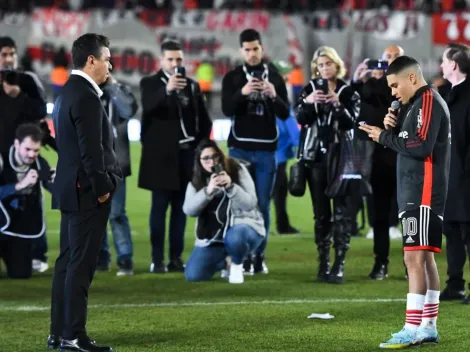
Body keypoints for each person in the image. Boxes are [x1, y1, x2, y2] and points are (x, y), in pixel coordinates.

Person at [359, 56, 450, 348]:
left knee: (413, 258)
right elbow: (414, 142)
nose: (394, 92)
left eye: (395, 85)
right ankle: (428, 326)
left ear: (412, 78)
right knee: (424, 258)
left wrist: (384, 137)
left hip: (422, 190)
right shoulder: (418, 104)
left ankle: (411, 328)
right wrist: (394, 129)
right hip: (420, 189)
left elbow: (421, 146)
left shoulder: (427, 101)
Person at [49, 33, 121, 352]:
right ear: (91, 60)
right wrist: (104, 189)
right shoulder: (87, 97)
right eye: (107, 58)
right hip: (86, 193)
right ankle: (73, 335)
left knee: (67, 263)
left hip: (69, 189)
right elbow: (92, 152)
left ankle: (58, 331)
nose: (110, 64)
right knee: (80, 265)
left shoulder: (68, 92)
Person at [138, 39, 212, 274]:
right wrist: (167, 90)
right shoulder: (149, 83)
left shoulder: (191, 85)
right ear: (161, 60)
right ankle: (157, 259)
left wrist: (199, 148)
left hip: (186, 156)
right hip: (161, 159)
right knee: (158, 209)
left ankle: (176, 258)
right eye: (170, 59)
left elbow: (203, 119)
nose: (175, 63)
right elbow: (148, 107)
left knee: (181, 209)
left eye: (178, 59)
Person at [221, 29, 290, 274]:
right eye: (247, 50)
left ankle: (258, 256)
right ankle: (237, 256)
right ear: (241, 51)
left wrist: (272, 95)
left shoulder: (276, 77)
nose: (252, 54)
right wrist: (242, 93)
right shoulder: (232, 78)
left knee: (262, 204)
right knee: (237, 204)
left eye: (255, 49)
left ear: (262, 49)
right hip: (239, 148)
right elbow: (227, 109)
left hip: (265, 151)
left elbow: (285, 113)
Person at [294, 46, 362, 284]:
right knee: (321, 214)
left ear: (336, 65)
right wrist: (310, 103)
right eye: (320, 65)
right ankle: (323, 263)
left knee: (342, 213)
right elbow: (300, 119)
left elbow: (352, 123)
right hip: (315, 158)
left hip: (342, 159)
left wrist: (336, 104)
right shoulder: (309, 89)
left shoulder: (347, 91)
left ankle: (339, 264)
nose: (324, 69)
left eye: (328, 64)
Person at [351, 45, 405, 279]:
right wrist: (356, 81)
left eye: (395, 58)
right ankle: (380, 262)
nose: (390, 62)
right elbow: (355, 112)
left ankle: (409, 264)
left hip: (405, 158)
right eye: (386, 59)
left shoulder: (411, 89)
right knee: (379, 215)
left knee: (409, 216)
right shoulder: (368, 87)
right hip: (379, 159)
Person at [183, 139, 265, 284]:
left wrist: (231, 187)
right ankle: (226, 261)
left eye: (215, 157)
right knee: (194, 275)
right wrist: (207, 192)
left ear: (221, 156)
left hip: (245, 230)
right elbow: (189, 210)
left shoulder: (237, 169)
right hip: (215, 239)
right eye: (206, 158)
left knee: (235, 237)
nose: (211, 162)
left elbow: (250, 204)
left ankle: (238, 263)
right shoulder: (197, 180)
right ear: (199, 161)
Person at [97, 73, 138, 275]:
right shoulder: (85, 90)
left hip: (116, 164)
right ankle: (100, 258)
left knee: (116, 213)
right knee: (95, 213)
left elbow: (128, 110)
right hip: (92, 164)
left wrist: (112, 85)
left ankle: (125, 259)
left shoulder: (120, 90)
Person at [438, 43, 470, 304]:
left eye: (443, 61)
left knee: (468, 231)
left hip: (465, 177)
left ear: (454, 65)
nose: (440, 66)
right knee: (451, 231)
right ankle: (455, 283)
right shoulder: (446, 94)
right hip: (449, 176)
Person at [0, 124, 53, 279]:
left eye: (36, 150)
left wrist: (61, 182)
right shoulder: (2, 160)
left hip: (18, 231)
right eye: (28, 149)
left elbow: (53, 187)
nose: (31, 154)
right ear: (16, 144)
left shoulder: (39, 164)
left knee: (21, 275)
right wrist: (18, 186)